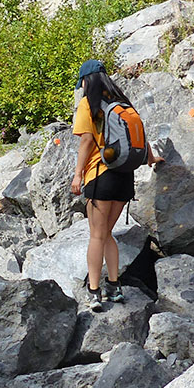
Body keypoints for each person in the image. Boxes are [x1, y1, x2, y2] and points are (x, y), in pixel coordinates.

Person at [70, 60, 163, 311]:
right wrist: (152, 158)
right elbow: (140, 135)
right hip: (125, 177)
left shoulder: (88, 104)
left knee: (97, 236)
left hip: (101, 176)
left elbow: (86, 141)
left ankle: (94, 292)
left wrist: (78, 175)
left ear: (87, 81)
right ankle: (114, 287)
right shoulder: (122, 103)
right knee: (107, 233)